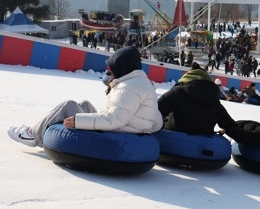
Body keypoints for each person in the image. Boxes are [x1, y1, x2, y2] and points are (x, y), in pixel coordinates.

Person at [8, 46, 164, 147]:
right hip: (127, 129)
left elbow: (113, 120)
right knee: (85, 104)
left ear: (122, 67)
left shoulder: (128, 88)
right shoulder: (141, 83)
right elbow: (156, 121)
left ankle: (32, 135)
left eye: (112, 68)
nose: (108, 72)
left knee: (68, 105)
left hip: (118, 134)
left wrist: (78, 121)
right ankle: (35, 131)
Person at [157, 63, 237, 135]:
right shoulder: (214, 99)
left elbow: (154, 112)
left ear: (187, 77)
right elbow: (230, 125)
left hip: (174, 139)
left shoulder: (178, 92)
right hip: (203, 145)